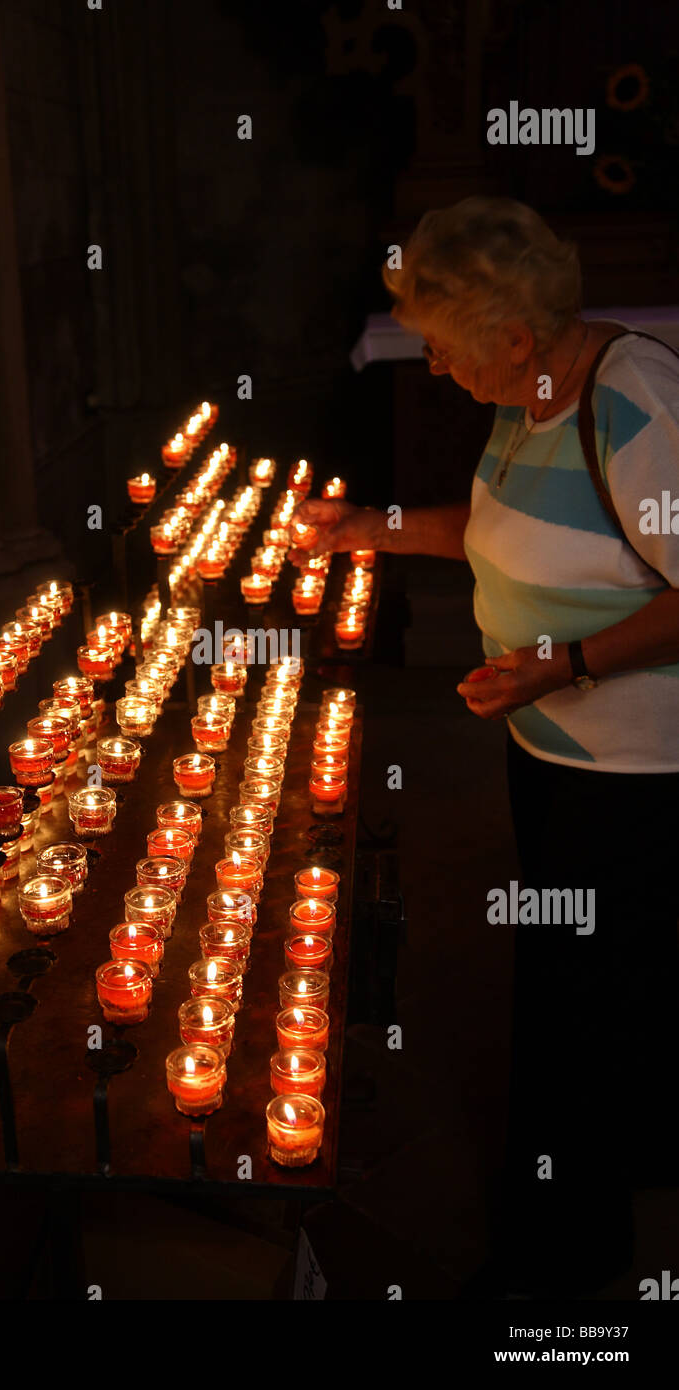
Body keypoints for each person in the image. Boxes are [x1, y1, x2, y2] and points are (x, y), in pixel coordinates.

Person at [291, 196, 679, 1298]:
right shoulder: (527, 390)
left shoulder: (634, 402)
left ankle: (564, 1269)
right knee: (594, 988)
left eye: (447, 348)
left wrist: (565, 664)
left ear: (513, 333)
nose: (437, 370)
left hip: (633, 775)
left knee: (573, 1015)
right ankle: (638, 1151)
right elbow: (492, 526)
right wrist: (366, 527)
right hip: (550, 748)